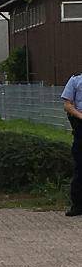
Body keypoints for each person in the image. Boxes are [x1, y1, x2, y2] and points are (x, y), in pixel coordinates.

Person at [62, 73, 82, 216]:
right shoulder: (75, 81)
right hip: (80, 126)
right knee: (80, 167)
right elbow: (67, 105)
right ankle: (78, 205)